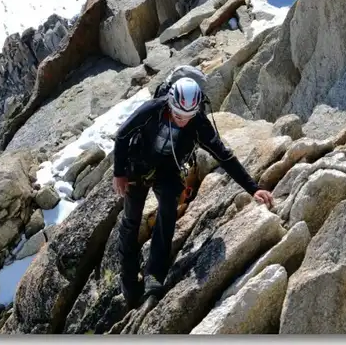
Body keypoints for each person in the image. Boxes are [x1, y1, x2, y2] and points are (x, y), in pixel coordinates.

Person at [112, 77, 274, 308]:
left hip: (167, 169)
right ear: (170, 103)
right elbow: (122, 134)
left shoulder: (197, 123)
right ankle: (128, 283)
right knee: (130, 222)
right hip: (137, 167)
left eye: (187, 117)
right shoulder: (153, 109)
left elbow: (223, 155)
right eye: (178, 115)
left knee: (167, 211)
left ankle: (154, 276)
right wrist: (119, 173)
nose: (182, 122)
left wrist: (253, 188)